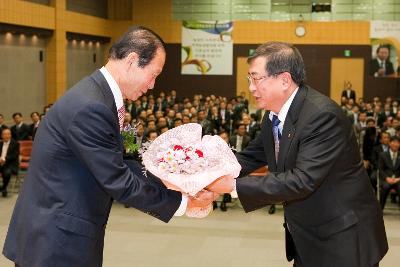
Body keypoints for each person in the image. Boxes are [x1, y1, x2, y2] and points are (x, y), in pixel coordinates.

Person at [3, 26, 214, 267]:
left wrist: (178, 182)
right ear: (133, 61)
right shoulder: (92, 107)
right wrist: (184, 203)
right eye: (154, 75)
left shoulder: (99, 96)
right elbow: (119, 180)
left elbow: (122, 161)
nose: (153, 85)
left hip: (59, 231)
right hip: (56, 242)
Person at [208, 42, 388, 267]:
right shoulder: (273, 115)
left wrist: (231, 187)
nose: (251, 87)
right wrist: (205, 174)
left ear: (284, 80)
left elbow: (302, 180)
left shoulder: (322, 116)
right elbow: (250, 157)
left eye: (256, 78)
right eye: (249, 79)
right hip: (306, 234)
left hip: (342, 238)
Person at [379, 135, 400, 210]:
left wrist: (398, 179)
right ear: (390, 143)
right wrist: (387, 178)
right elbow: (381, 169)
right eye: (394, 142)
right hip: (386, 179)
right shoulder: (383, 155)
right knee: (385, 187)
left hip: (398, 180)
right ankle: (380, 209)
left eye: (398, 143)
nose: (396, 144)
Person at [0, 128, 19, 197]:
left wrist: (3, 160)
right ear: (2, 135)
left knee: (7, 173)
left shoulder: (15, 143)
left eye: (8, 134)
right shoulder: (0, 143)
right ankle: (3, 188)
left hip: (11, 164)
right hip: (1, 163)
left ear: (10, 135)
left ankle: (3, 187)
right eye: (5, 134)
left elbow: (14, 155)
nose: (7, 136)